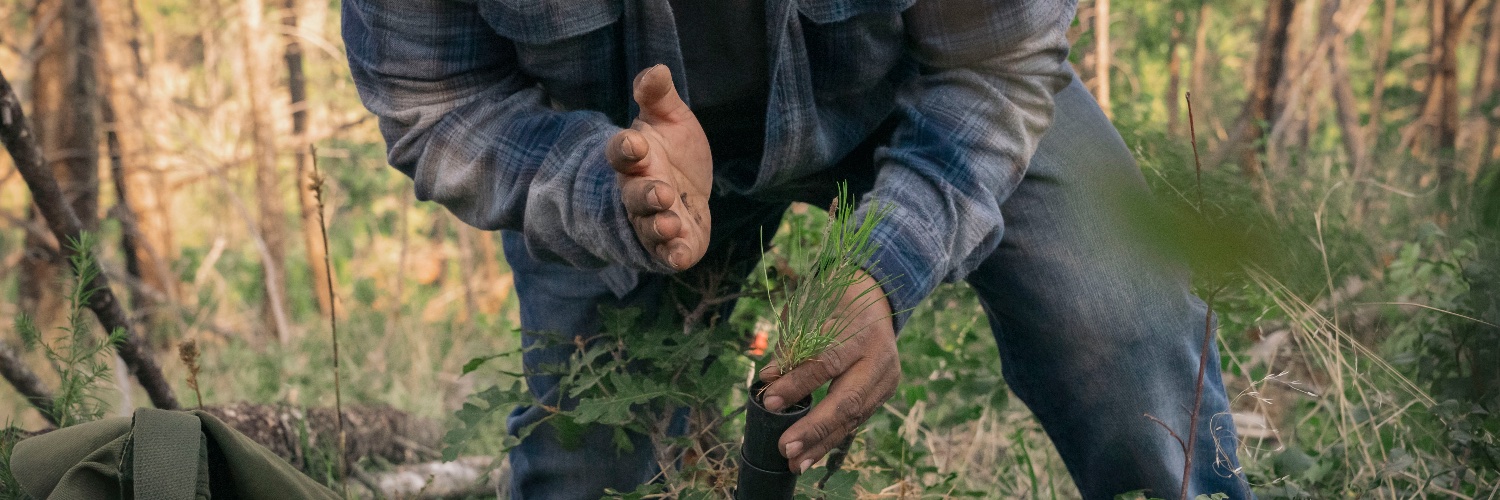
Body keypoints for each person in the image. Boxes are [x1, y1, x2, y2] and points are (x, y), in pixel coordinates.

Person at [342, 0, 1254, 498]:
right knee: (586, 467)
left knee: (1122, 327)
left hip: (921, 87)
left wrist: (885, 267)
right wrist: (609, 188)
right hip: (622, 154)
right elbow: (436, 100)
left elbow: (995, 63)